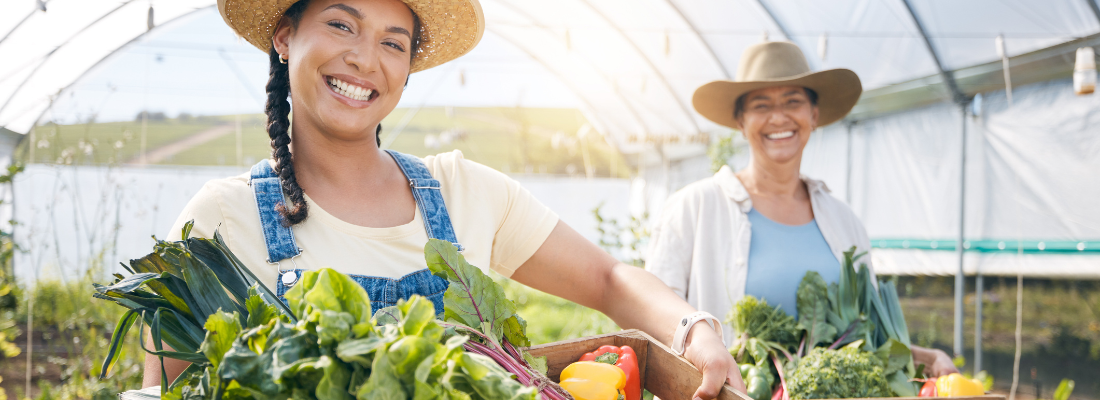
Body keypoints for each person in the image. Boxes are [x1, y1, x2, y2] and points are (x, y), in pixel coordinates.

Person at [143, 0, 744, 397]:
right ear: (284, 37)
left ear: (406, 70)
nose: (363, 57)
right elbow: (163, 392)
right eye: (340, 24)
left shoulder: (462, 190)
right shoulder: (219, 219)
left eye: (393, 42)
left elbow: (610, 278)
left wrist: (692, 328)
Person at [646, 41, 958, 376]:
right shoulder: (695, 208)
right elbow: (651, 316)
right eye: (761, 105)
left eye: (793, 101)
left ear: (813, 114)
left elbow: (864, 341)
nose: (778, 117)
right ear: (741, 120)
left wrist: (925, 358)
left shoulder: (844, 222)